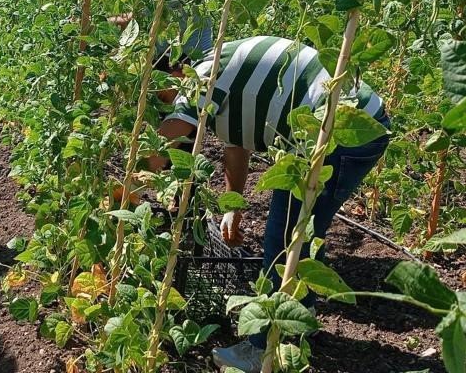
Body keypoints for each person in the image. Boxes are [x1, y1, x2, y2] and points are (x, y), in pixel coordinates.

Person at [145, 36, 391, 373]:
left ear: (173, 74)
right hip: (355, 124)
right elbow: (236, 146)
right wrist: (233, 207)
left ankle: (263, 349)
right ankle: (298, 319)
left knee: (285, 237)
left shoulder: (200, 79)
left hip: (341, 128)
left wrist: (125, 189)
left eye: (160, 96)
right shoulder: (221, 81)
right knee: (301, 233)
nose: (164, 105)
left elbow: (160, 148)